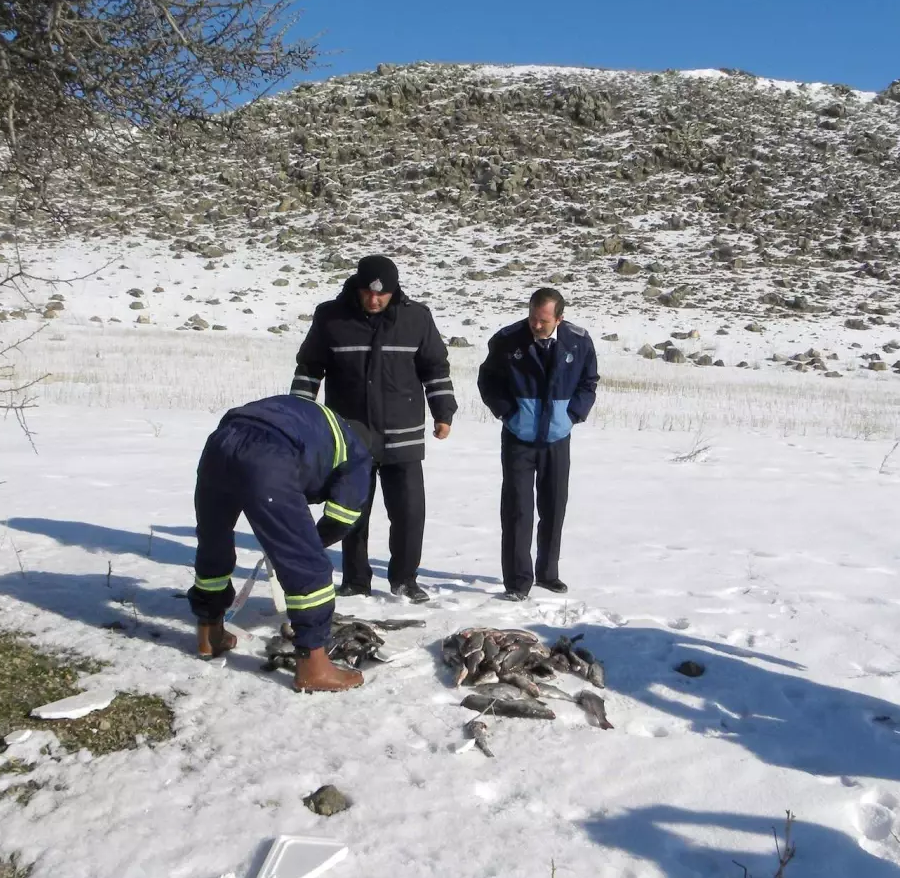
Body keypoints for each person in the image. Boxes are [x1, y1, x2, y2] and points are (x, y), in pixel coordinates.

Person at [289, 255, 456, 604]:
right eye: (369, 292)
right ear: (358, 287)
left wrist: (443, 412)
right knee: (351, 512)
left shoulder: (417, 318)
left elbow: (436, 370)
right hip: (352, 437)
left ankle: (405, 579)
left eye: (383, 294)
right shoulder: (331, 317)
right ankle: (355, 580)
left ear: (394, 292)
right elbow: (309, 369)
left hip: (403, 434)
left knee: (409, 513)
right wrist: (299, 416)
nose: (375, 299)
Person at [186, 394, 380, 692]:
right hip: (268, 454)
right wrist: (305, 544)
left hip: (220, 443)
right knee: (309, 566)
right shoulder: (357, 454)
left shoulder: (315, 422)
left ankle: (209, 633)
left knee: (214, 542)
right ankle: (313, 664)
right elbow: (342, 517)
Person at [477, 287, 599, 601]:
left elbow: (589, 381)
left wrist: (572, 415)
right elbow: (487, 379)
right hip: (519, 437)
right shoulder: (507, 340)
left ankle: (548, 573)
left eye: (544, 320)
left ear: (559, 318)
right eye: (533, 317)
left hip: (557, 438)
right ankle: (518, 582)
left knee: (554, 506)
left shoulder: (579, 341)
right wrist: (507, 412)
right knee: (518, 509)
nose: (536, 325)